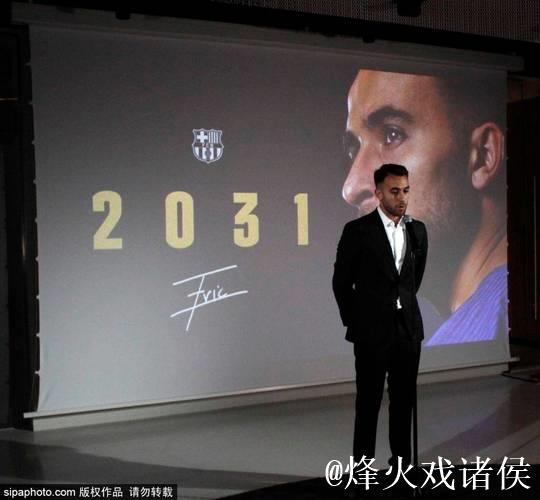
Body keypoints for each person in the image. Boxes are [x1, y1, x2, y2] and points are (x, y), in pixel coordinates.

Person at [340, 69, 507, 345]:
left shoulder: (473, 345)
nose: (351, 187)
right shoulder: (496, 323)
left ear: (483, 156)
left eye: (392, 134)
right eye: (353, 149)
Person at [332, 163, 428, 466]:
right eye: (394, 191)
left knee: (404, 402)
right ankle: (363, 470)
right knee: (368, 402)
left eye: (406, 190)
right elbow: (341, 283)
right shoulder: (358, 231)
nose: (402, 198)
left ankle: (401, 466)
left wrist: (403, 305)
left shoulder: (417, 230)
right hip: (371, 332)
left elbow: (412, 280)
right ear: (378, 193)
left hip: (407, 329)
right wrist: (357, 322)